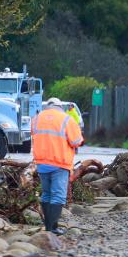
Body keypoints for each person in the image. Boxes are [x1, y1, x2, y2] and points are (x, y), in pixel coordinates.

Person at [32, 97, 83, 235]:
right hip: (60, 163)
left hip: (42, 163)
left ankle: (48, 227)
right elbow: (76, 141)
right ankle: (52, 228)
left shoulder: (36, 118)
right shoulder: (66, 119)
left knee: (46, 194)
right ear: (60, 107)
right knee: (58, 196)